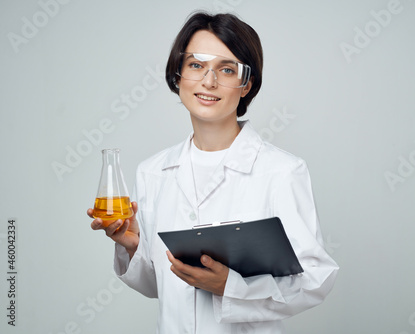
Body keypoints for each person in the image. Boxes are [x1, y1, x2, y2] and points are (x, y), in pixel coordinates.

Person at [87, 11, 339, 334]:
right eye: (196, 65)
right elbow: (158, 286)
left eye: (226, 69)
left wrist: (231, 288)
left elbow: (316, 278)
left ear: (246, 83)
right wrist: (132, 246)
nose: (209, 81)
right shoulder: (152, 172)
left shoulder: (281, 172)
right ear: (178, 74)